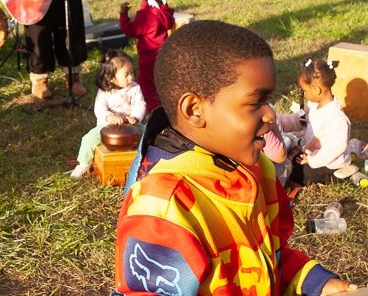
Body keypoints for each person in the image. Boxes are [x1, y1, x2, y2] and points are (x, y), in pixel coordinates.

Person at [114, 20, 356, 295]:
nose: (270, 115)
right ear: (194, 109)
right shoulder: (164, 208)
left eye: (269, 101)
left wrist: (315, 284)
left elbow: (270, 259)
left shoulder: (258, 169)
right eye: (256, 103)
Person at [70, 49, 146, 179]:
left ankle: (148, 160)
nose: (131, 77)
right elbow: (99, 109)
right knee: (89, 139)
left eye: (132, 73)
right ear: (111, 78)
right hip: (107, 127)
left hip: (131, 127)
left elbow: (140, 104)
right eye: (126, 74)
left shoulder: (135, 88)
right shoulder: (104, 92)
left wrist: (135, 117)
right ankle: (83, 164)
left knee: (147, 133)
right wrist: (109, 117)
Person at [277, 57, 352, 186]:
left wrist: (312, 160)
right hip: (313, 154)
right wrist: (279, 122)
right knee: (290, 162)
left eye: (305, 91)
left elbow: (334, 149)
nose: (304, 94)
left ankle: (338, 176)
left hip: (329, 163)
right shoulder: (312, 105)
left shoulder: (336, 118)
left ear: (317, 90)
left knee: (297, 175)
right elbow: (298, 120)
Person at [119, 0, 175, 114]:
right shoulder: (164, 10)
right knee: (162, 85)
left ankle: (154, 114)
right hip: (164, 54)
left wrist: (123, 14)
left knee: (147, 88)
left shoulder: (145, 15)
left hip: (148, 58)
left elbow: (131, 31)